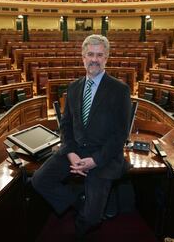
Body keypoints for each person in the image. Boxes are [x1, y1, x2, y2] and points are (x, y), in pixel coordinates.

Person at [31, 34, 132, 240]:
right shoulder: (74, 87)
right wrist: (71, 154)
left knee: (93, 217)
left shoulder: (120, 90)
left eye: (99, 55)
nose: (94, 59)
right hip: (75, 150)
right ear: (83, 57)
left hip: (102, 156)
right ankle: (80, 199)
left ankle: (84, 218)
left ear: (106, 58)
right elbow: (66, 125)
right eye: (90, 54)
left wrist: (95, 161)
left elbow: (120, 135)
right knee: (39, 181)